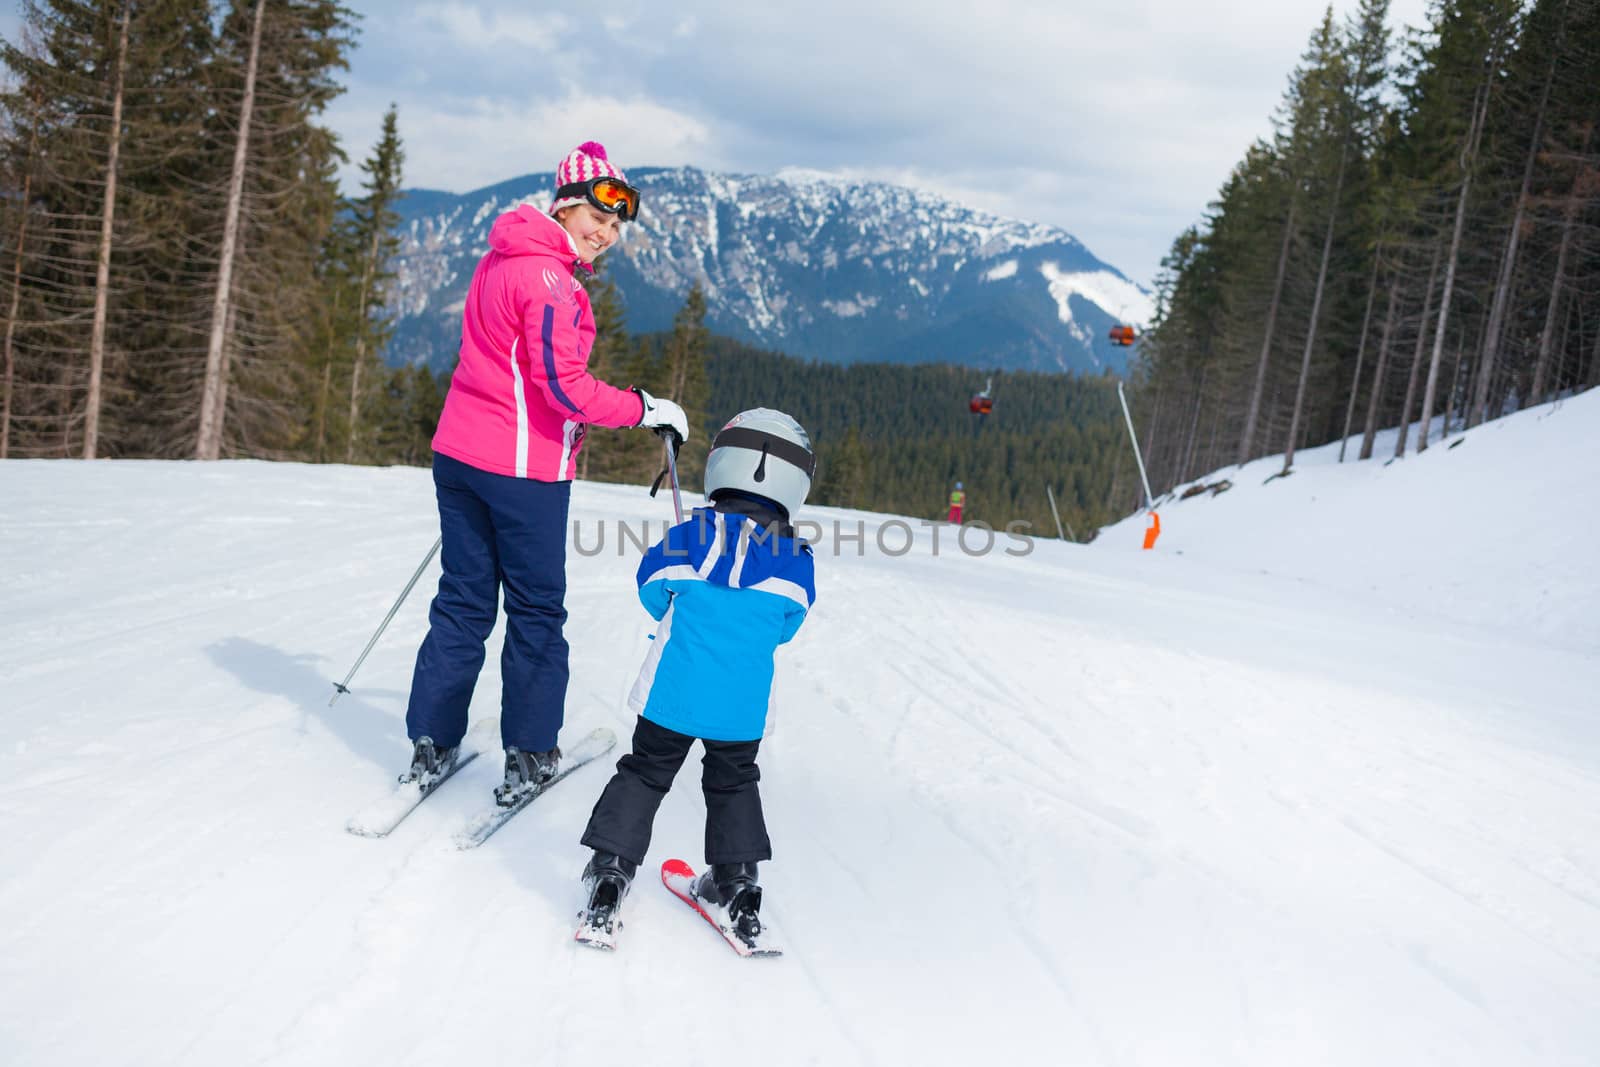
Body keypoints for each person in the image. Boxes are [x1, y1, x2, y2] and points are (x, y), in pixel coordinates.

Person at [400, 141, 690, 803]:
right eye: (598, 216)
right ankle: (529, 755)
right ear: (565, 204)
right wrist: (644, 408)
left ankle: (431, 740)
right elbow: (566, 389)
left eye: (616, 226)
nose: (607, 234)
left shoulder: (499, 259)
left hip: (459, 460)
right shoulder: (552, 281)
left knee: (464, 602)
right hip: (524, 473)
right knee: (534, 611)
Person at [577, 408, 817, 944]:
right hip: (741, 708)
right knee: (733, 781)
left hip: (672, 695)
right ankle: (738, 885)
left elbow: (650, 589)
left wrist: (683, 603)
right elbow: (788, 624)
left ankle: (611, 873)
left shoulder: (687, 539)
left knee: (644, 772)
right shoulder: (795, 561)